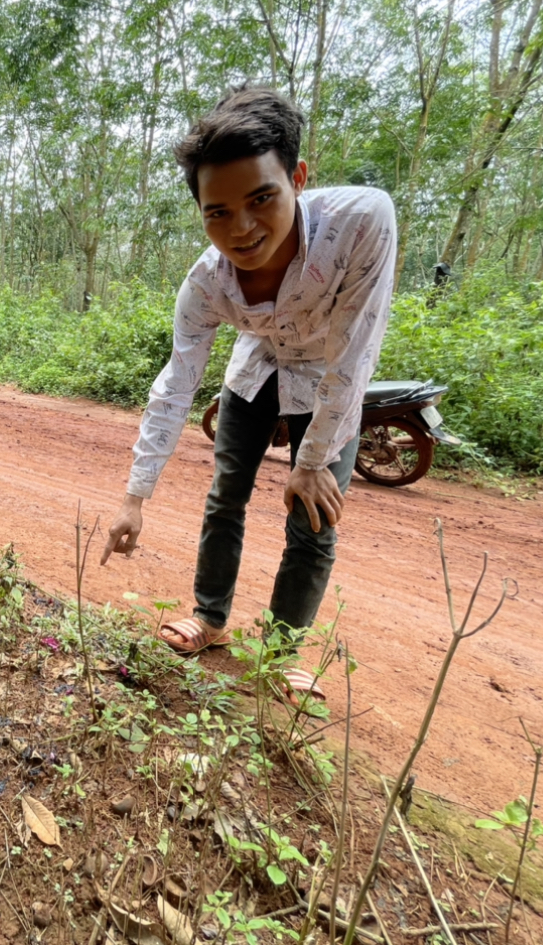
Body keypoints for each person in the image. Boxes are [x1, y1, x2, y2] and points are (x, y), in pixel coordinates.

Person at [100, 85, 396, 693]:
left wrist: (312, 459)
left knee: (314, 516)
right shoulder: (206, 282)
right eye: (218, 212)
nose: (242, 228)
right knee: (225, 496)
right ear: (202, 211)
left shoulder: (363, 222)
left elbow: (356, 352)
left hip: (329, 379)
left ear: (298, 178)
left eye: (262, 198)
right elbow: (175, 385)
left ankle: (282, 652)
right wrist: (135, 496)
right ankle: (210, 617)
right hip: (256, 369)